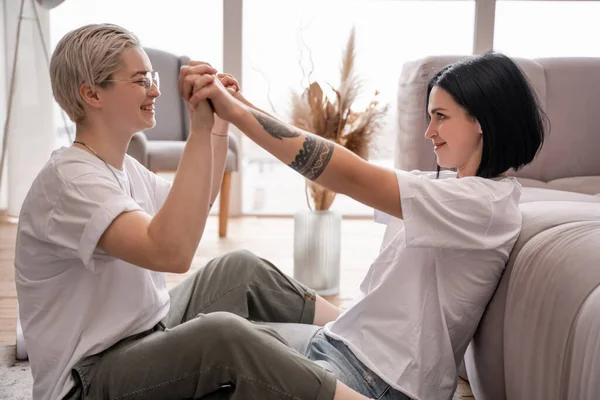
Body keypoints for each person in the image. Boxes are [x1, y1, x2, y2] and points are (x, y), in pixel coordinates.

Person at [15, 23, 372, 400]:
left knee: (239, 269)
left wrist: (218, 126)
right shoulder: (69, 180)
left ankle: (363, 338)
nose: (155, 90)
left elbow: (197, 206)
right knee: (222, 337)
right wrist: (198, 131)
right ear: (91, 94)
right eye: (140, 80)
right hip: (87, 379)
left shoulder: (122, 169)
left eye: (151, 77)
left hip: (142, 333)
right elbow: (172, 251)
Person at [180, 51, 546, 400]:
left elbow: (349, 174)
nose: (429, 131)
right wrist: (241, 104)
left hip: (381, 382)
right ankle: (136, 347)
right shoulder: (449, 189)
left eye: (440, 116)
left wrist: (239, 116)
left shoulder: (482, 206)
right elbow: (342, 163)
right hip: (346, 343)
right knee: (227, 296)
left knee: (217, 343)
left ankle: (126, 366)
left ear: (480, 121)